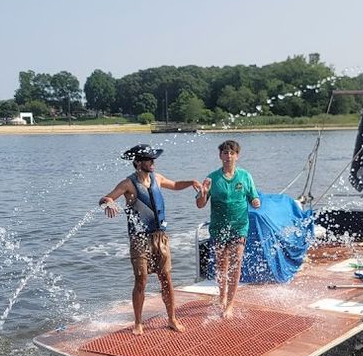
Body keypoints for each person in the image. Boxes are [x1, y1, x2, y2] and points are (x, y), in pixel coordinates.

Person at [99, 145, 202, 335]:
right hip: (139, 239)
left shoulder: (157, 178)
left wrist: (191, 182)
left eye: (153, 159)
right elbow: (105, 198)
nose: (152, 162)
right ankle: (138, 323)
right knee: (141, 280)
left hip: (160, 237)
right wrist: (110, 202)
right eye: (148, 159)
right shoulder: (128, 184)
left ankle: (171, 318)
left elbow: (175, 185)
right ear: (138, 162)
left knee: (167, 279)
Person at [196, 139, 260, 318]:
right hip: (219, 227)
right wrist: (202, 193)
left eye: (232, 153)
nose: (228, 156)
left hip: (239, 227)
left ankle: (230, 304)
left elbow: (253, 197)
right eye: (225, 153)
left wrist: (256, 202)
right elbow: (200, 205)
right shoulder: (212, 178)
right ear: (220, 156)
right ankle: (222, 295)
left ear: (237, 156)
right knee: (221, 264)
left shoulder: (245, 176)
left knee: (236, 262)